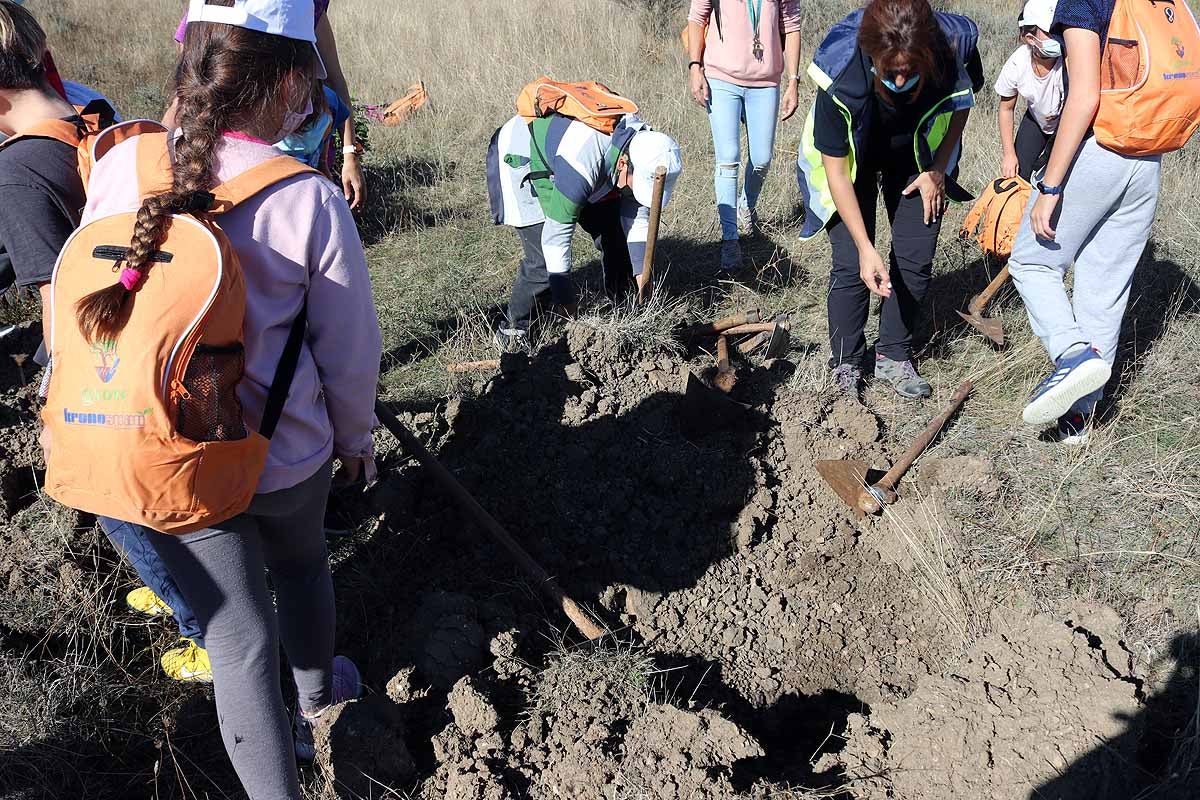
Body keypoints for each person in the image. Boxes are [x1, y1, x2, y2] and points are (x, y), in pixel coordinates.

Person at [76, 0, 382, 795]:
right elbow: (349, 354)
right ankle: (321, 708)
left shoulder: (120, 166)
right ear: (286, 80)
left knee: (237, 638)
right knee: (305, 567)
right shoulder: (304, 197)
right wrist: (355, 441)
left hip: (170, 456)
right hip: (285, 457)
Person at [0, 0, 211, 681]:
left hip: (105, 359)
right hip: (159, 337)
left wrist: (55, 401)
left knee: (111, 502)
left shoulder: (14, 172)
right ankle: (187, 583)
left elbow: (55, 298)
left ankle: (204, 626)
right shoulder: (98, 121)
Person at [796, 0, 983, 399]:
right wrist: (866, 247)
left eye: (909, 72)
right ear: (871, 56)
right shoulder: (841, 72)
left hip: (916, 158)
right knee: (850, 264)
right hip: (850, 160)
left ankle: (893, 355)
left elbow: (962, 101)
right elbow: (834, 169)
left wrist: (937, 169)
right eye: (889, 71)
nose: (899, 80)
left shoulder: (949, 49)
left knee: (916, 257)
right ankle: (846, 361)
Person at [1007, 0, 1161, 443]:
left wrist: (1051, 187)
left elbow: (1085, 95)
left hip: (1100, 149)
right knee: (1104, 286)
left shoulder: (1083, 1)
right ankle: (1078, 421)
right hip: (1147, 157)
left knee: (1032, 263)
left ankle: (1073, 354)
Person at [488, 110, 682, 354]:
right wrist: (567, 302)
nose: (636, 191)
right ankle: (513, 332)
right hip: (525, 155)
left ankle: (626, 310)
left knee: (616, 236)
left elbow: (638, 219)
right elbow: (556, 239)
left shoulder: (645, 149)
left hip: (587, 165)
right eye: (637, 184)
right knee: (543, 261)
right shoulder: (581, 162)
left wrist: (644, 280)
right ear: (623, 164)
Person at [167, 0, 366, 208]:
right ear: (291, 81)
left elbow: (187, 90)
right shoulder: (316, 199)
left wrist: (349, 153)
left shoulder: (148, 160)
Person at [686, 0, 803, 271]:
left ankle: (746, 207)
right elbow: (697, 17)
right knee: (728, 158)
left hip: (765, 82)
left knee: (762, 158)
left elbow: (792, 25)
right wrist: (695, 67)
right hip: (721, 77)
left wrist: (793, 81)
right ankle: (730, 239)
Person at [996, 0, 1065, 180]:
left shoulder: (1069, 61)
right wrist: (1009, 155)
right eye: (1051, 32)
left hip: (1067, 127)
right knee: (1018, 175)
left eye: (1061, 28)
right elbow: (1006, 108)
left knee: (1057, 178)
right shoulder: (1018, 63)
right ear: (1029, 37)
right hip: (1036, 120)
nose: (1059, 37)